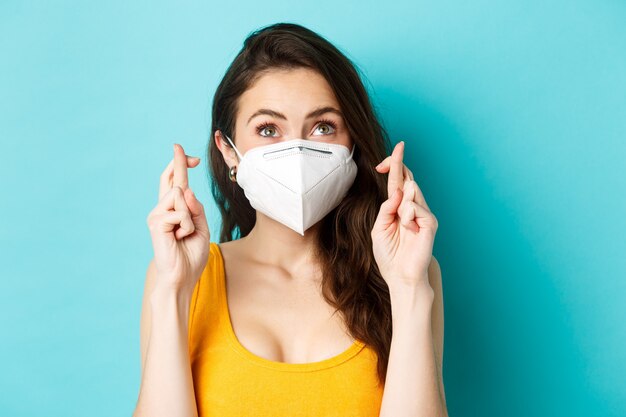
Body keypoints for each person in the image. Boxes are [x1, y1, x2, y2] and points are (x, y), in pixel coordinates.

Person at [133, 22, 447, 417]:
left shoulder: (410, 274)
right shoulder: (180, 279)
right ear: (229, 151)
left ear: (352, 144)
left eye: (322, 127)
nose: (297, 150)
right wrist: (173, 290)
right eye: (268, 129)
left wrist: (408, 289)